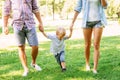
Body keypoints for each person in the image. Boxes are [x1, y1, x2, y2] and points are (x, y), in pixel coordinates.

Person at [3, 0, 44, 76]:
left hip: (30, 24)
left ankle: (33, 62)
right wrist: (5, 26)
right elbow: (6, 10)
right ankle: (26, 69)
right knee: (21, 47)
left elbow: (35, 8)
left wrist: (40, 23)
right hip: (17, 25)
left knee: (35, 46)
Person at [70, 0, 108, 74]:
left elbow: (105, 6)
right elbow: (78, 8)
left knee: (96, 45)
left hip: (99, 21)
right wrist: (72, 22)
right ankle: (87, 64)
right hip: (86, 22)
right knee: (87, 44)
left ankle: (95, 68)